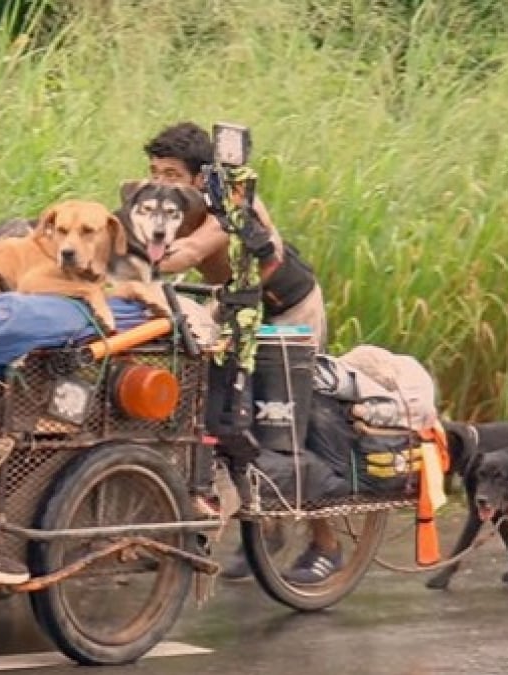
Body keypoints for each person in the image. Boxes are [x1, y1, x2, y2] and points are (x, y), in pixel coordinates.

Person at [142, 121, 339, 584]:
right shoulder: (159, 207)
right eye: (154, 172)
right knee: (214, 413)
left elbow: (190, 251)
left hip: (287, 312)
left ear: (198, 177)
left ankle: (326, 543)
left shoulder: (230, 199)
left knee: (286, 426)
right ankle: (259, 530)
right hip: (233, 304)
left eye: (171, 174)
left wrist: (136, 260)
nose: (159, 183)